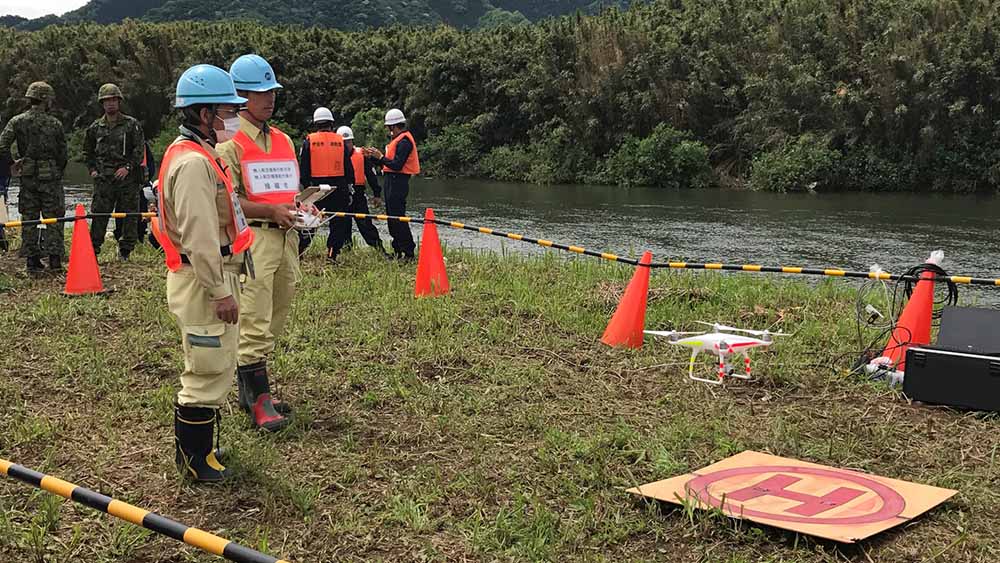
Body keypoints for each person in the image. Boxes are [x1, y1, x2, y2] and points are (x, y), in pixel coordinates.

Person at [152, 64, 252, 482]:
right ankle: (195, 461)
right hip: (203, 279)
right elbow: (199, 236)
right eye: (228, 111)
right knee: (206, 368)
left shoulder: (199, 154)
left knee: (217, 361)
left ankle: (203, 449)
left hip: (210, 275)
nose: (234, 119)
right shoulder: (193, 163)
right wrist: (219, 291)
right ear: (204, 114)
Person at [217, 53, 301, 432]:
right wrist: (270, 211)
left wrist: (303, 206)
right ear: (240, 96)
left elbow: (290, 191)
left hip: (287, 237)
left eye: (272, 91)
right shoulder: (228, 143)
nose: (269, 98)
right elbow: (227, 201)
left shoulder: (283, 139)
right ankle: (259, 401)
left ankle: (251, 390)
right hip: (254, 237)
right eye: (260, 92)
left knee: (277, 310)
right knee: (253, 316)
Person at [0, 82, 67, 273]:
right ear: (46, 100)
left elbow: (2, 145)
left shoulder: (17, 121)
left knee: (29, 218)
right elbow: (63, 153)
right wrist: (57, 169)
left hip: (28, 176)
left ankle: (32, 261)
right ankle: (55, 261)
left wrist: (13, 163)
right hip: (51, 177)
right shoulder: (55, 124)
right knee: (54, 217)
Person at [83, 83, 145, 260]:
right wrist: (92, 170)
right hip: (103, 180)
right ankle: (93, 251)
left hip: (127, 179)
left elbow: (139, 150)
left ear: (119, 102)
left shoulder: (131, 125)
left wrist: (128, 168)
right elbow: (87, 152)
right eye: (107, 100)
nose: (110, 103)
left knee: (129, 216)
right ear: (102, 103)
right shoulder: (95, 127)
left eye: (113, 100)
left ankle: (125, 251)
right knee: (99, 216)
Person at [296, 107, 354, 261]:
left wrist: (305, 188)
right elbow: (348, 168)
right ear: (331, 123)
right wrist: (350, 188)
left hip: (317, 187)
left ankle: (300, 251)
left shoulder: (309, 140)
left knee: (310, 221)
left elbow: (304, 167)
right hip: (338, 187)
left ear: (316, 124)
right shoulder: (340, 141)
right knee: (338, 222)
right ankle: (332, 255)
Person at [364, 108, 419, 260]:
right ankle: (398, 249)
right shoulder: (397, 141)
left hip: (398, 182)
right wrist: (372, 157)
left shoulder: (404, 142)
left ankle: (408, 252)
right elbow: (387, 164)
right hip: (391, 180)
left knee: (398, 218)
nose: (389, 131)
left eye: (389, 127)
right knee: (392, 218)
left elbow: (397, 165)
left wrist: (380, 157)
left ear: (393, 126)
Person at [337, 125, 386, 254]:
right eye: (343, 143)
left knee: (365, 224)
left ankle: (379, 249)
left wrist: (377, 194)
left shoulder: (361, 155)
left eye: (348, 142)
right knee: (343, 224)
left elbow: (371, 176)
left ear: (352, 141)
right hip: (342, 194)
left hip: (358, 194)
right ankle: (346, 250)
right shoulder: (334, 156)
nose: (346, 145)